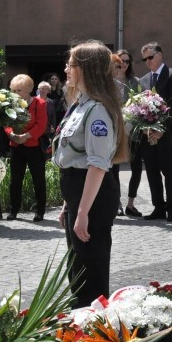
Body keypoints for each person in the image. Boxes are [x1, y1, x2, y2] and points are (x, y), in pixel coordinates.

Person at [54, 40, 129, 308]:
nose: (66, 69)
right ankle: (80, 326)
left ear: (86, 69)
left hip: (93, 198)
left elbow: (97, 165)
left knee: (91, 273)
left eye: (71, 64)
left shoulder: (97, 110)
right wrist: (69, 205)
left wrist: (83, 212)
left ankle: (95, 332)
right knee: (78, 269)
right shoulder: (80, 105)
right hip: (79, 193)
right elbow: (77, 159)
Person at [138, 42, 172, 221]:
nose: (147, 61)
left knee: (169, 172)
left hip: (167, 133)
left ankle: (171, 208)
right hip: (148, 135)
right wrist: (146, 129)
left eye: (150, 57)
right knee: (152, 171)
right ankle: (158, 207)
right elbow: (139, 108)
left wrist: (161, 130)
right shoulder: (142, 80)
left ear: (159, 55)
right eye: (144, 59)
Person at [7, 74, 48, 221]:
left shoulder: (40, 103)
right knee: (15, 180)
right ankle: (13, 210)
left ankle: (40, 210)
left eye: (19, 90)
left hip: (33, 146)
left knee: (38, 179)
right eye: (14, 90)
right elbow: (6, 122)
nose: (16, 93)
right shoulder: (10, 104)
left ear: (28, 90)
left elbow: (41, 125)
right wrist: (11, 134)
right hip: (16, 146)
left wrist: (26, 136)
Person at [113, 49, 144, 217]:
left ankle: (131, 203)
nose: (123, 64)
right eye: (120, 61)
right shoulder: (108, 81)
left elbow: (140, 104)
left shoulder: (135, 81)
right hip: (116, 129)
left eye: (126, 61)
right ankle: (116, 203)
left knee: (137, 167)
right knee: (114, 168)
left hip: (133, 129)